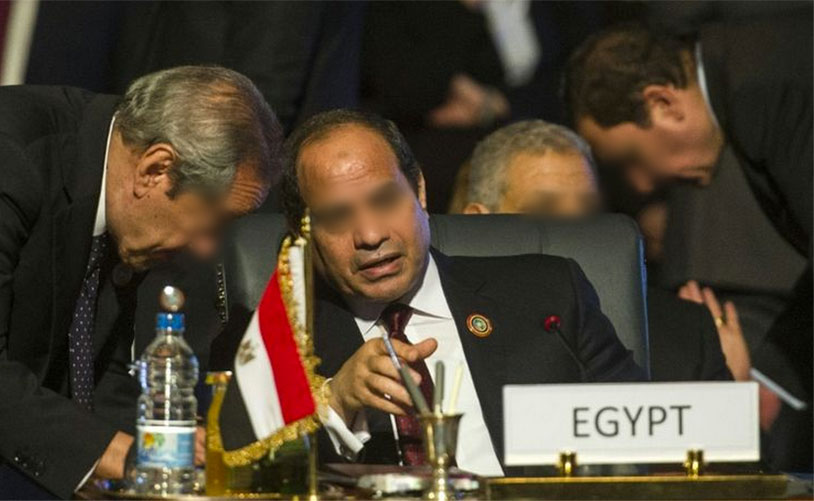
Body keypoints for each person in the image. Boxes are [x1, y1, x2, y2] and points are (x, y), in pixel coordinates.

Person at [267, 109, 645, 475]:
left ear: (419, 191)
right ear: (304, 232)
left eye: (385, 200)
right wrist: (335, 401)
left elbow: (643, 431)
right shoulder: (280, 345)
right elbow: (259, 473)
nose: (370, 235)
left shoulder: (547, 294)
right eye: (337, 217)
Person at [0, 65, 283, 498]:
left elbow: (100, 373)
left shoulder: (122, 194)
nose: (207, 249)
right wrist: (127, 455)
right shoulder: (13, 157)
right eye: (214, 223)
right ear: (156, 168)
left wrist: (165, 451)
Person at [563, 20, 812, 408]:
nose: (643, 185)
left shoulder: (767, 88)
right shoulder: (748, 75)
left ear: (662, 103)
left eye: (631, 159)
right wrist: (767, 378)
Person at [462, 120, 733, 383]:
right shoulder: (448, 328)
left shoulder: (685, 334)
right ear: (478, 222)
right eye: (543, 210)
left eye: (588, 210)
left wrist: (739, 391)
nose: (575, 228)